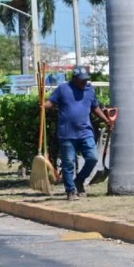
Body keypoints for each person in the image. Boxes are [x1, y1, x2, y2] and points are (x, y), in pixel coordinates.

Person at [44, 66, 115, 201]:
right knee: (69, 163)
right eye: (82, 80)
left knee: (93, 158)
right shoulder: (63, 89)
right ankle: (70, 191)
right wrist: (43, 105)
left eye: (86, 80)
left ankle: (79, 180)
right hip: (67, 133)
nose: (84, 83)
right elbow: (51, 102)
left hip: (85, 131)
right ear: (74, 78)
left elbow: (95, 107)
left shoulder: (89, 90)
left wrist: (106, 120)